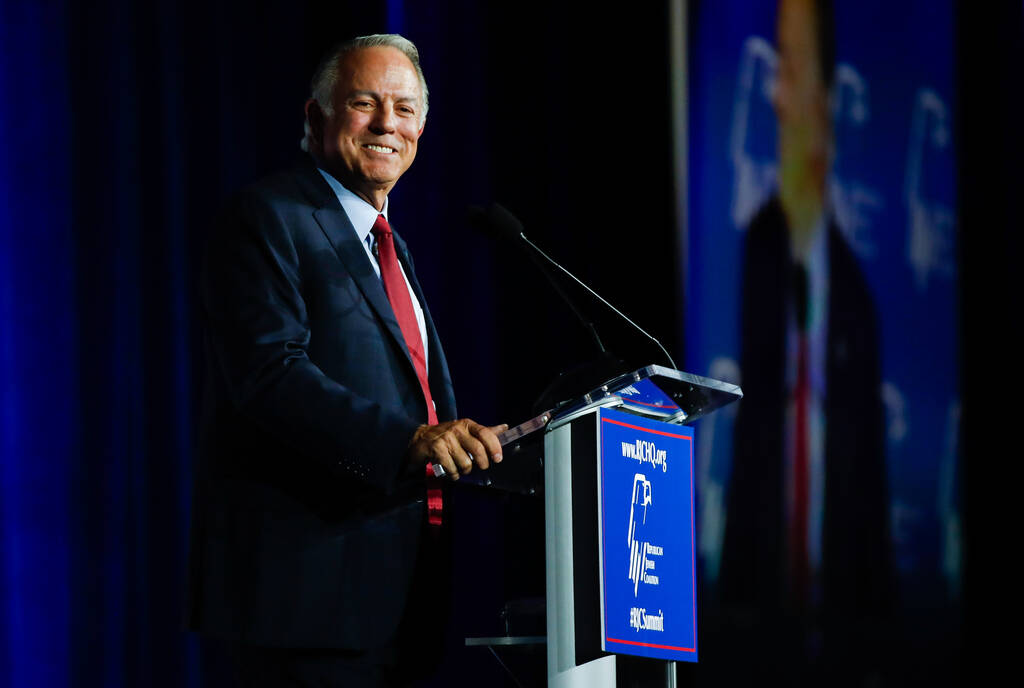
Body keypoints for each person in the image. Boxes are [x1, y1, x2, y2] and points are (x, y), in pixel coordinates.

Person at [185, 34, 505, 687]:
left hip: (400, 599)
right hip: (306, 602)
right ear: (315, 118)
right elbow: (269, 376)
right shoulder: (268, 217)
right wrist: (410, 441)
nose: (389, 123)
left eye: (406, 108)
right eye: (365, 103)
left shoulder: (391, 248)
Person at [718, 0, 890, 681]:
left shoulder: (856, 294)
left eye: (791, 69)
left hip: (844, 611)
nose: (775, 94)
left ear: (823, 96)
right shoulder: (759, 244)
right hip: (758, 609)